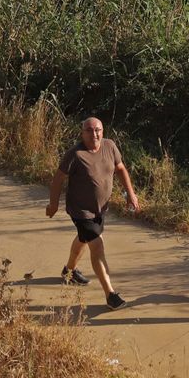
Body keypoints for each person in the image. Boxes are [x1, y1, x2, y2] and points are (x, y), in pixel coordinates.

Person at [46, 117, 139, 309]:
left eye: (98, 130)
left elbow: (120, 168)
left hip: (100, 208)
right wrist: (53, 204)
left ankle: (68, 271)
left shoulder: (110, 146)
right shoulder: (75, 154)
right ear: (82, 133)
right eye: (89, 130)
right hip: (80, 210)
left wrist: (131, 194)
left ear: (103, 131)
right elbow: (58, 179)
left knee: (84, 238)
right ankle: (111, 295)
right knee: (96, 245)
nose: (94, 134)